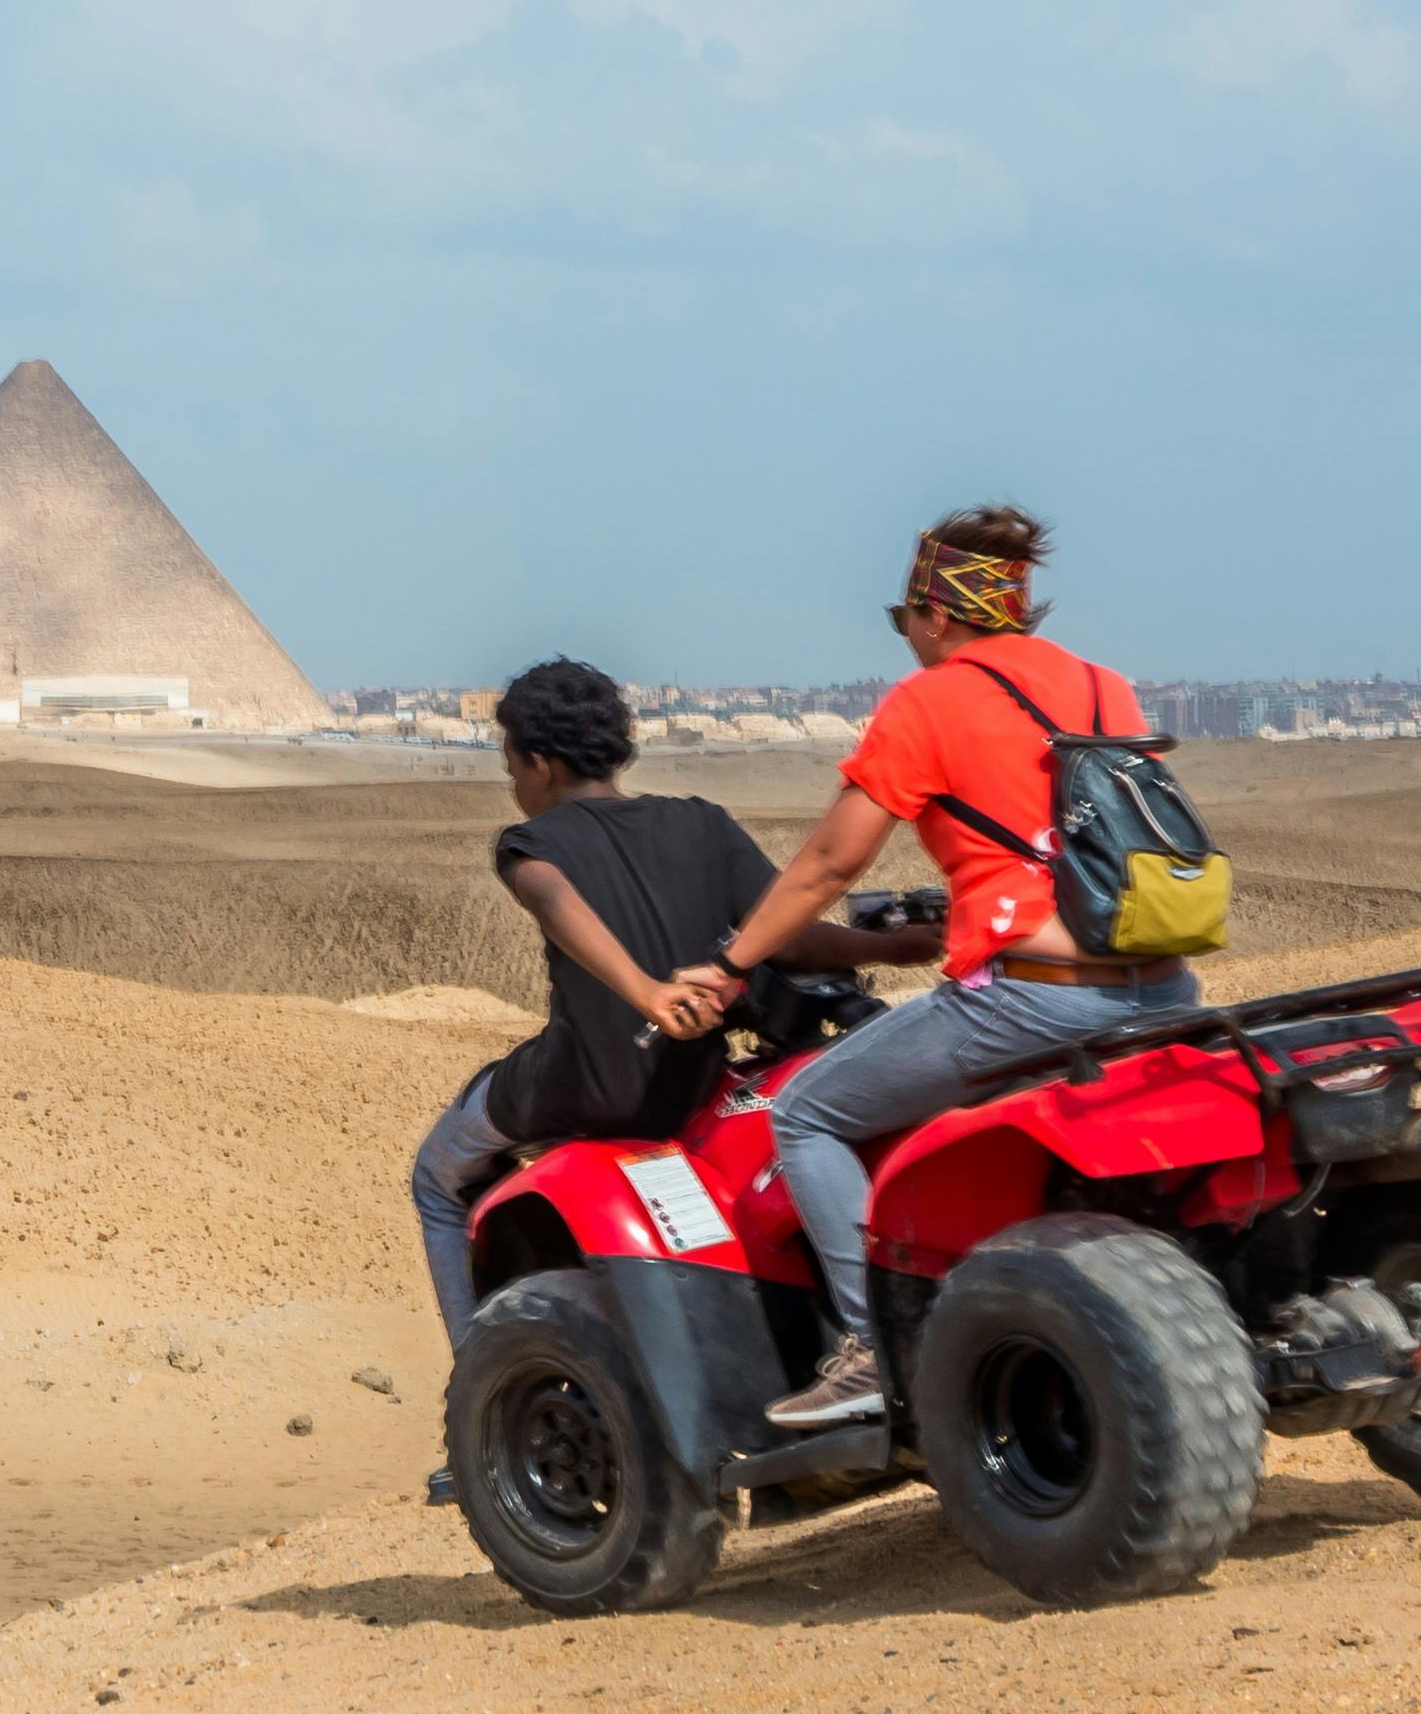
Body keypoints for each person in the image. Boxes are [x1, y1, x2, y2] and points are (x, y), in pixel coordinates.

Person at [688, 506, 1201, 1385]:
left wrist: (732, 964)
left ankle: (871, 1352)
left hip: (1035, 996)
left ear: (934, 613)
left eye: (904, 622)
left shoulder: (928, 700)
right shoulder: (1101, 685)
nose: (908, 640)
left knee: (805, 1114)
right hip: (1163, 987)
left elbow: (827, 864)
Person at [406, 657, 923, 1353]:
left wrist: (644, 992)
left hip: (580, 1083)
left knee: (437, 1176)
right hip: (693, 1084)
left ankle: (473, 1379)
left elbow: (550, 896)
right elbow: (790, 938)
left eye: (512, 769)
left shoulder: (531, 844)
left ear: (541, 762)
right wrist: (894, 947)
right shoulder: (701, 823)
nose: (514, 786)